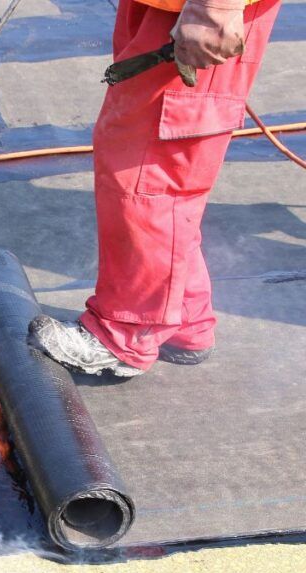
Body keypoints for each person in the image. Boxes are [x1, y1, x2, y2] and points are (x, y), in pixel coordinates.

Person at [31, 0, 280, 376]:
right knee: (152, 169)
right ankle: (183, 318)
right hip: (168, 9)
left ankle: (125, 333)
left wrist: (214, 8)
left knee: (148, 175)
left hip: (196, 14)